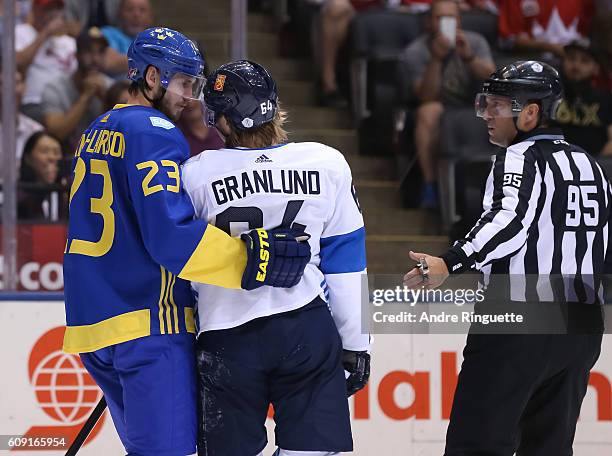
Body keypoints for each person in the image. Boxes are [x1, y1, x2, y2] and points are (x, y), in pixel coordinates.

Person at [62, 28, 312, 456]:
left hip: (95, 324)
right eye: (184, 83)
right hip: (148, 325)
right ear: (153, 76)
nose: (191, 97)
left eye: (195, 86)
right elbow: (171, 237)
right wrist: (253, 259)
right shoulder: (155, 130)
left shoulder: (96, 130)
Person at [404, 60, 605, 455]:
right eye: (486, 103)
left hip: (520, 319)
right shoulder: (591, 164)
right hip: (582, 324)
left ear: (530, 113)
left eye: (498, 105)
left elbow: (509, 221)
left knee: (476, 445)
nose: (486, 114)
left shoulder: (519, 157)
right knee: (548, 447)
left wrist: (451, 261)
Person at [181, 60, 371, 456]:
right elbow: (346, 262)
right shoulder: (327, 161)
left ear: (226, 121)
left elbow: (177, 259)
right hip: (305, 326)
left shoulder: (194, 174)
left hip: (226, 332)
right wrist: (355, 342)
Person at [400, 0, 495, 208]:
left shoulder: (475, 42)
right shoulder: (416, 51)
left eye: (452, 17)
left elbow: (494, 80)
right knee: (428, 112)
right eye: (440, 18)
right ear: (428, 22)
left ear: (460, 20)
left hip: (475, 106)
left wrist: (469, 58)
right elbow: (425, 96)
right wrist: (436, 59)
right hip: (440, 110)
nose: (446, 22)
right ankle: (430, 186)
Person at [41, 27, 113, 153]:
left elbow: (127, 129)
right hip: (64, 158)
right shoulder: (55, 88)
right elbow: (57, 133)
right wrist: (86, 97)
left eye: (100, 52)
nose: (95, 59)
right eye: (89, 52)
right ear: (76, 55)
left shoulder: (111, 87)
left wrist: (106, 99)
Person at [15, 0, 77, 122]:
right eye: (48, 9)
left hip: (67, 102)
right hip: (35, 103)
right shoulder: (20, 32)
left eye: (57, 9)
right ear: (34, 9)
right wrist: (46, 33)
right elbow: (18, 64)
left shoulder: (68, 41)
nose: (53, 13)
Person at [555, 38, 612, 156]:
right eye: (571, 59)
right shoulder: (550, 94)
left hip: (594, 166)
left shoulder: (606, 99)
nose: (576, 65)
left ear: (595, 68)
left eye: (584, 61)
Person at [497, 0, 595, 59]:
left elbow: (585, 33)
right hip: (533, 59)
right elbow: (512, 40)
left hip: (574, 58)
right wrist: (551, 48)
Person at [18, 131, 67, 220]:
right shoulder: (17, 195)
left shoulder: (68, 193)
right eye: (45, 151)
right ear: (28, 158)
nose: (52, 157)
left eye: (56, 152)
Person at [0, 69, 44, 167]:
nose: (12, 90)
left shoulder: (36, 131)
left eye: (17, 83)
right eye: (5, 83)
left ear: (25, 87)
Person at [100, 0, 154, 75]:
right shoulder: (107, 33)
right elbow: (108, 62)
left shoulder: (156, 40)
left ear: (150, 17)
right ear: (119, 14)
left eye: (142, 10)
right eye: (130, 9)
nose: (136, 15)